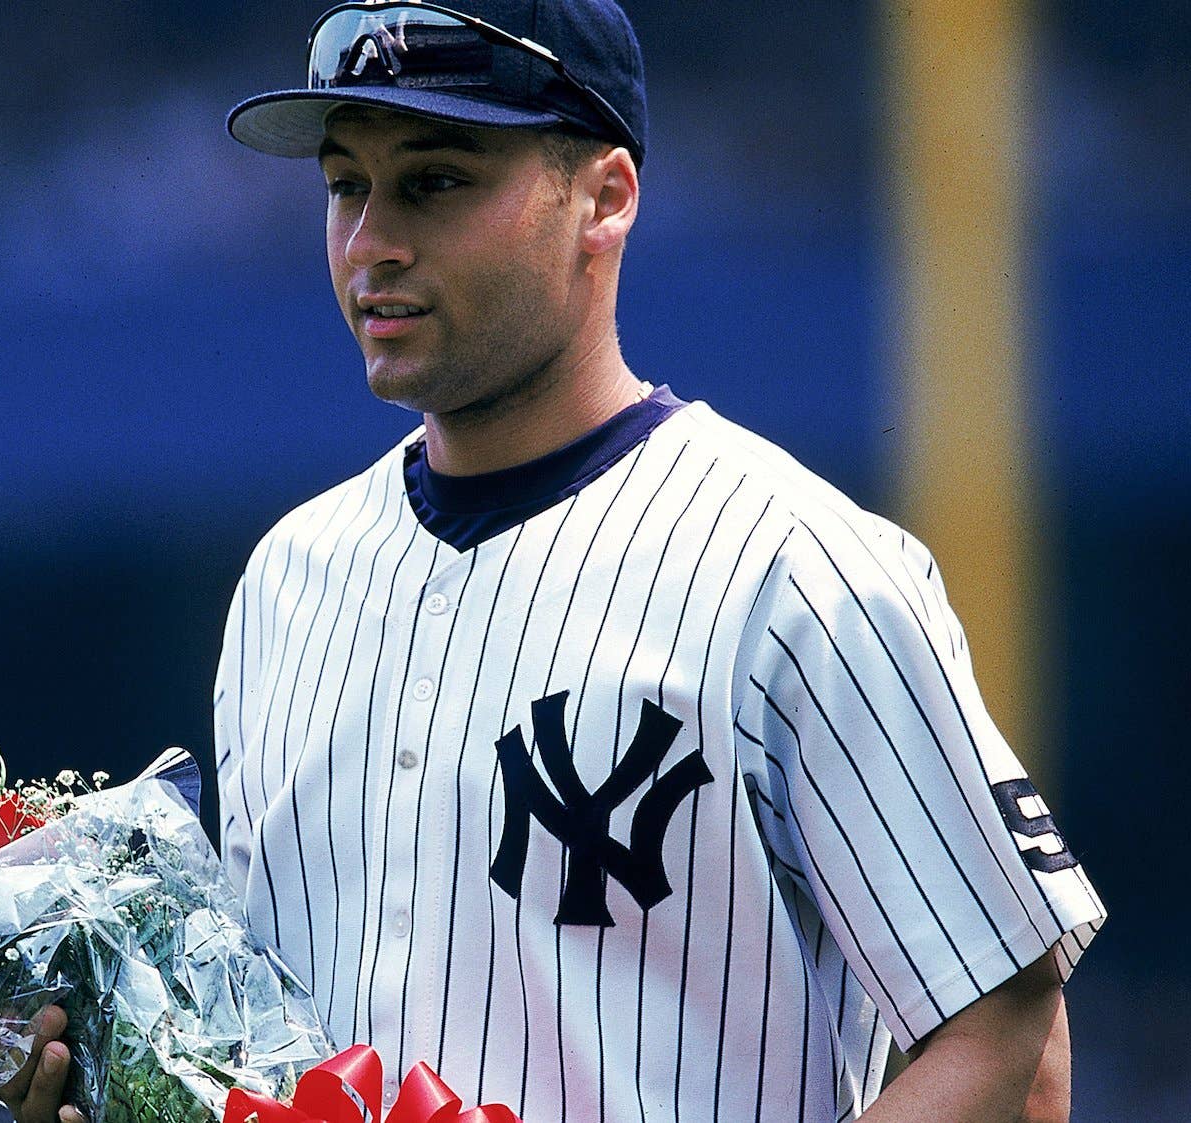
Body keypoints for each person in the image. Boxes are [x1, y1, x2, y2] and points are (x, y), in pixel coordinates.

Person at [200, 1, 1107, 1121]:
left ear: (605, 197)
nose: (371, 240)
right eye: (347, 183)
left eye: (435, 181)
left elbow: (1009, 1036)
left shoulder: (801, 570)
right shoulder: (288, 580)